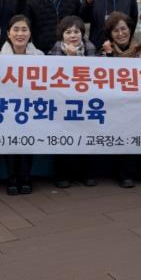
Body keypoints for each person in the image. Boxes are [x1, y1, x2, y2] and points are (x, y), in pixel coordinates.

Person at [100, 11, 141, 188]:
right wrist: (109, 56)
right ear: (110, 34)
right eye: (115, 31)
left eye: (123, 29)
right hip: (118, 105)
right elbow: (105, 78)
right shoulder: (105, 53)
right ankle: (126, 173)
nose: (121, 34)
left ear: (130, 29)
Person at [0, 14, 44, 195]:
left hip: (31, 107)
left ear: (30, 33)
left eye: (24, 30)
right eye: (16, 30)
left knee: (28, 141)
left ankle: (26, 177)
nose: (20, 34)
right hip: (6, 108)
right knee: (10, 141)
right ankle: (11, 178)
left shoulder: (40, 56)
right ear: (8, 33)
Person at [48, 15, 98, 187]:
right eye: (68, 32)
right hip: (62, 102)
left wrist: (76, 58)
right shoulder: (55, 49)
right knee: (63, 137)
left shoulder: (90, 48)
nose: (72, 35)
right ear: (62, 35)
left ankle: (88, 173)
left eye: (76, 31)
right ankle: (63, 175)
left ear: (82, 33)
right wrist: (68, 59)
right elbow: (51, 74)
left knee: (87, 137)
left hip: (86, 101)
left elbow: (95, 73)